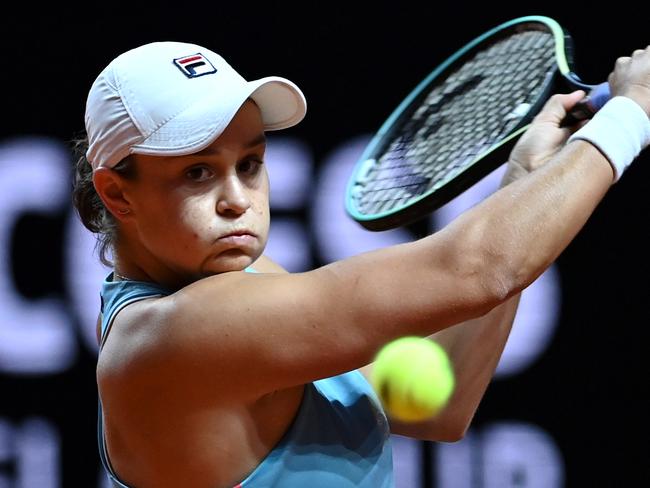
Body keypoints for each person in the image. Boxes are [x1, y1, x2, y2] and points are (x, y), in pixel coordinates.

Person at [72, 40, 650, 488]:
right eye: (197, 172)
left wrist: (525, 178)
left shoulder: (244, 285)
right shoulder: (174, 336)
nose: (237, 199)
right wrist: (629, 114)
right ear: (118, 195)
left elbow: (440, 405)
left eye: (249, 164)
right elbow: (474, 269)